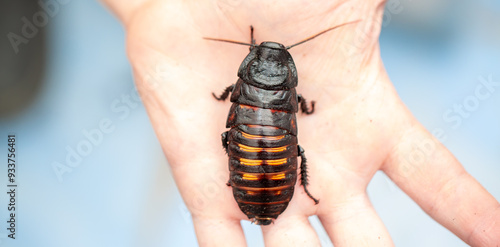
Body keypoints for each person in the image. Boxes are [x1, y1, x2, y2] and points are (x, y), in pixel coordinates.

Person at [102, 0, 500, 246]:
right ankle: (291, 186)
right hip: (267, 159)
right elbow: (296, 108)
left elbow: (229, 104)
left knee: (232, 135)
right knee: (280, 145)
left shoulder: (238, 89)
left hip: (249, 158)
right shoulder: (292, 100)